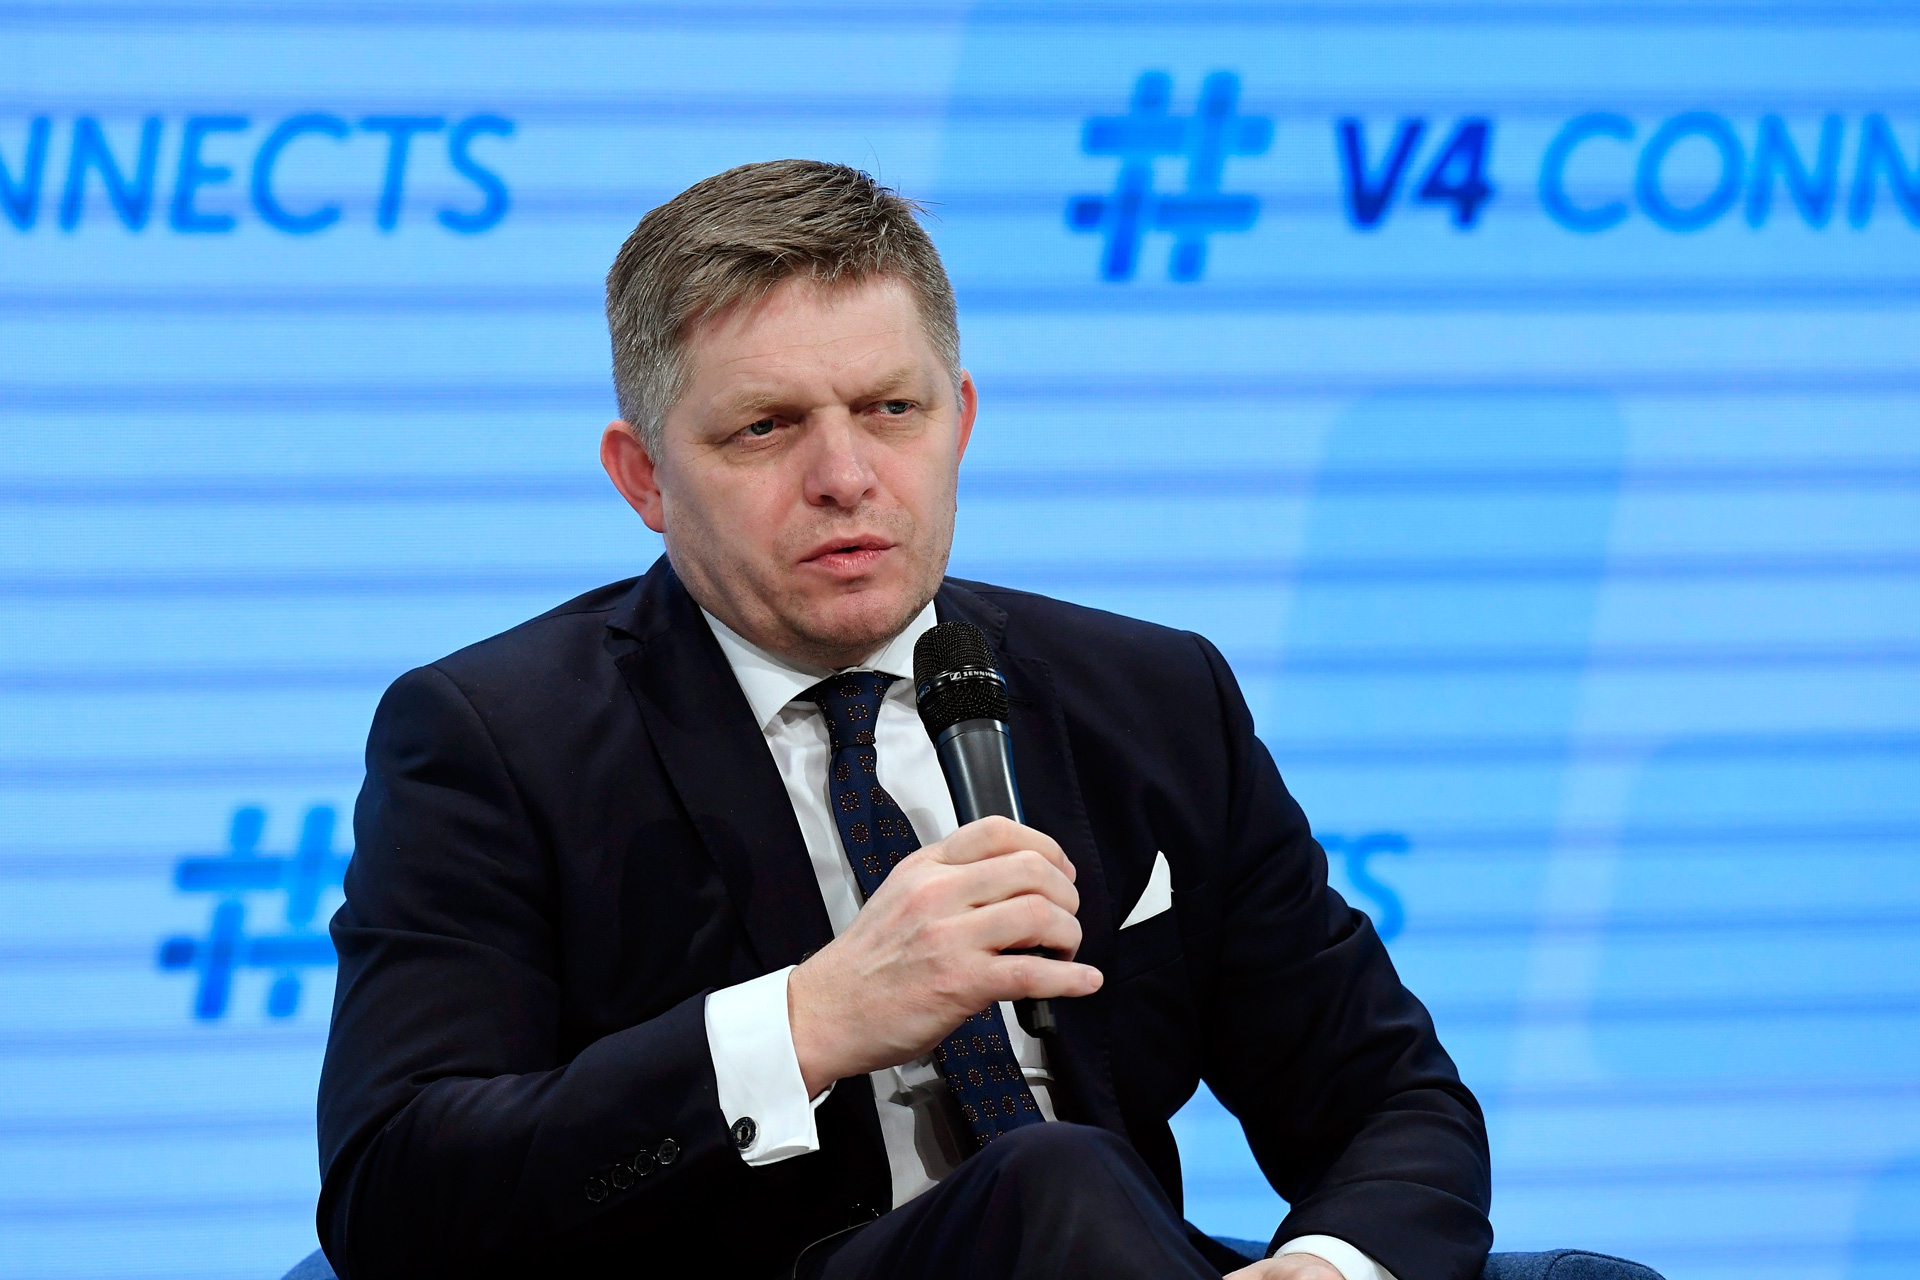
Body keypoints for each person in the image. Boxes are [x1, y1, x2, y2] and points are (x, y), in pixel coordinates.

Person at [316, 160, 1492, 1280]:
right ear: (644, 477)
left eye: (891, 408)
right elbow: (396, 1194)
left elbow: (1389, 1100)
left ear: (960, 420)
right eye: (766, 426)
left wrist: (1328, 1263)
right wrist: (810, 1020)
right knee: (1053, 1174)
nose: (846, 475)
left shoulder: (1153, 696)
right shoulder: (496, 741)